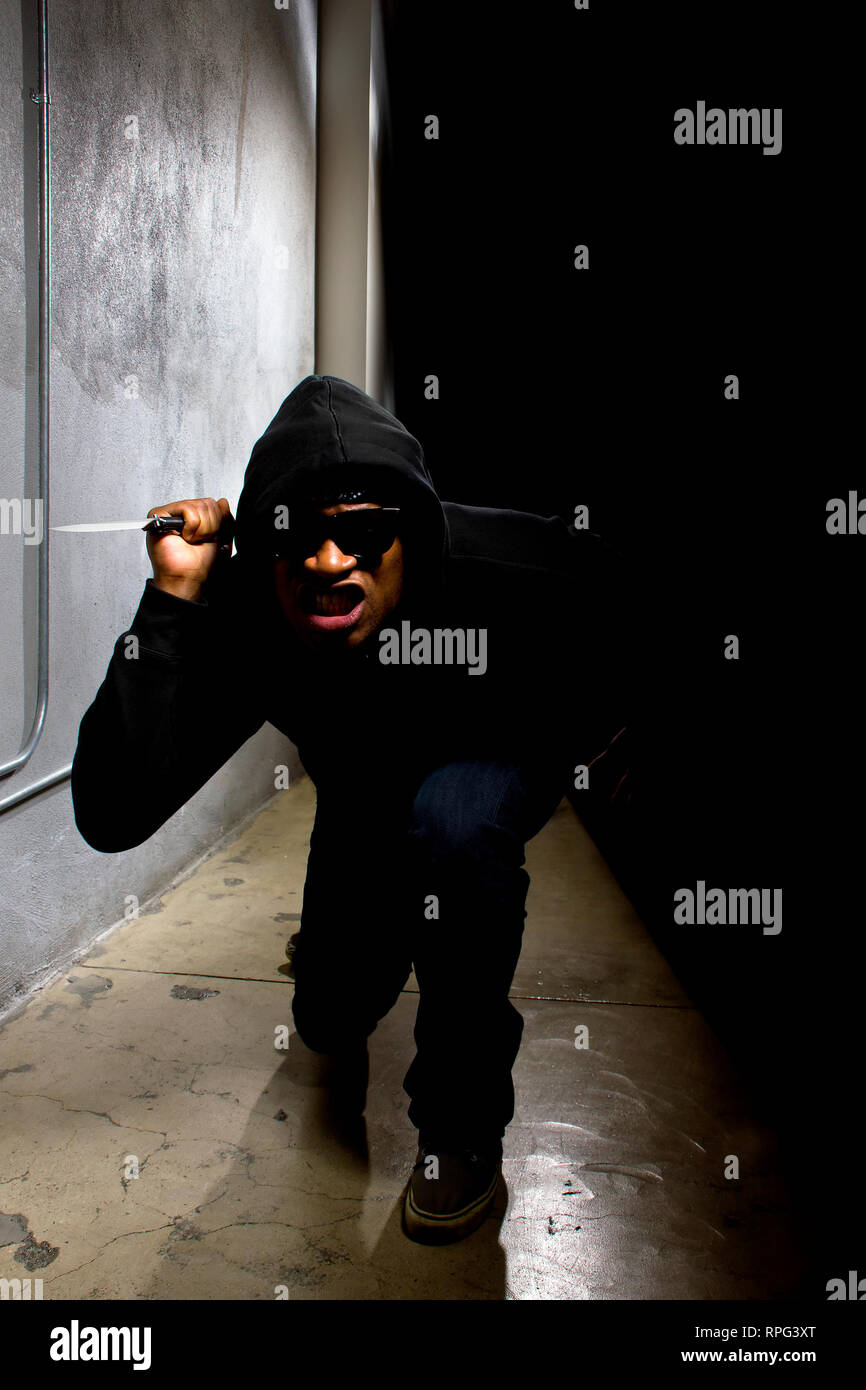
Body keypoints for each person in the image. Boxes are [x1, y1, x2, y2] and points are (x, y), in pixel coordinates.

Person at [71, 374, 641, 1245]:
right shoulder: (258, 615)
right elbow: (113, 810)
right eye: (297, 537)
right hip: (363, 790)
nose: (329, 564)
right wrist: (173, 600)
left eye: (365, 533)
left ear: (410, 532)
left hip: (484, 758)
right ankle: (339, 956)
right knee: (327, 1022)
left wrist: (578, 751)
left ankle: (459, 1129)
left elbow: (634, 615)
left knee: (455, 827)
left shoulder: (506, 565)